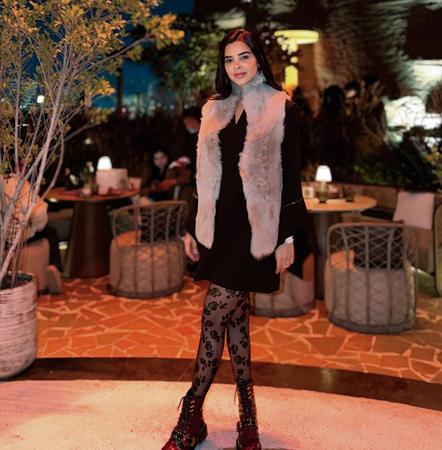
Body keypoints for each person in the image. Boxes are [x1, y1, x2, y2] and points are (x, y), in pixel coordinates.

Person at [162, 29, 309, 450]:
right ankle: (248, 416)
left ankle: (191, 414)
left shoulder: (280, 107)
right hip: (221, 225)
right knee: (234, 319)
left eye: (244, 56)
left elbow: (291, 174)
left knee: (215, 312)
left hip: (256, 228)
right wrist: (194, 226)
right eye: (229, 59)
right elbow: (204, 175)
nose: (237, 65)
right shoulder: (214, 108)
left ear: (258, 58)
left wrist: (287, 236)